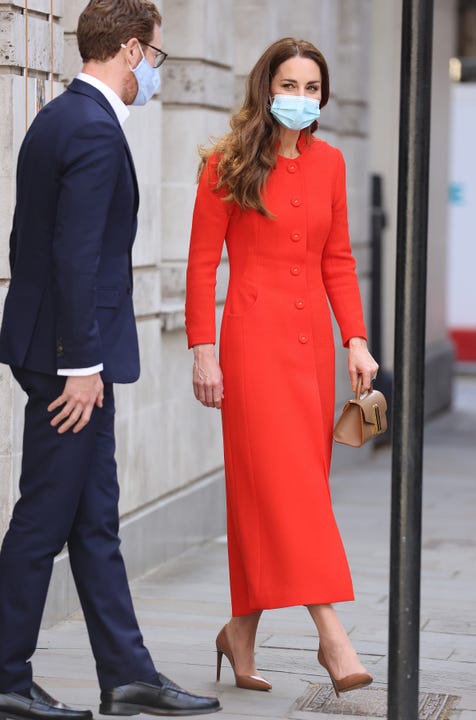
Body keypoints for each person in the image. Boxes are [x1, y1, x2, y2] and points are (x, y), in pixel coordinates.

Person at [0, 1, 220, 718]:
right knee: (44, 518)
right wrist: (81, 364)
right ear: (129, 50)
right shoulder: (93, 129)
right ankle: (4, 675)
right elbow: (74, 256)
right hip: (73, 361)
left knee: (93, 518)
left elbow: (27, 242)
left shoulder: (57, 117)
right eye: (155, 58)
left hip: (55, 348)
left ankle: (127, 673)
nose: (154, 72)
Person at [185, 37, 378, 697]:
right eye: (289, 85)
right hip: (249, 348)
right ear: (266, 88)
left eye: (311, 87)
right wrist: (202, 348)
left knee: (281, 493)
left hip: (309, 353)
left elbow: (339, 260)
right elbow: (202, 263)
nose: (300, 98)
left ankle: (240, 632)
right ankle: (332, 637)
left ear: (322, 97)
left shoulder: (332, 164)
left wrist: (355, 338)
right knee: (286, 490)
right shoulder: (227, 162)